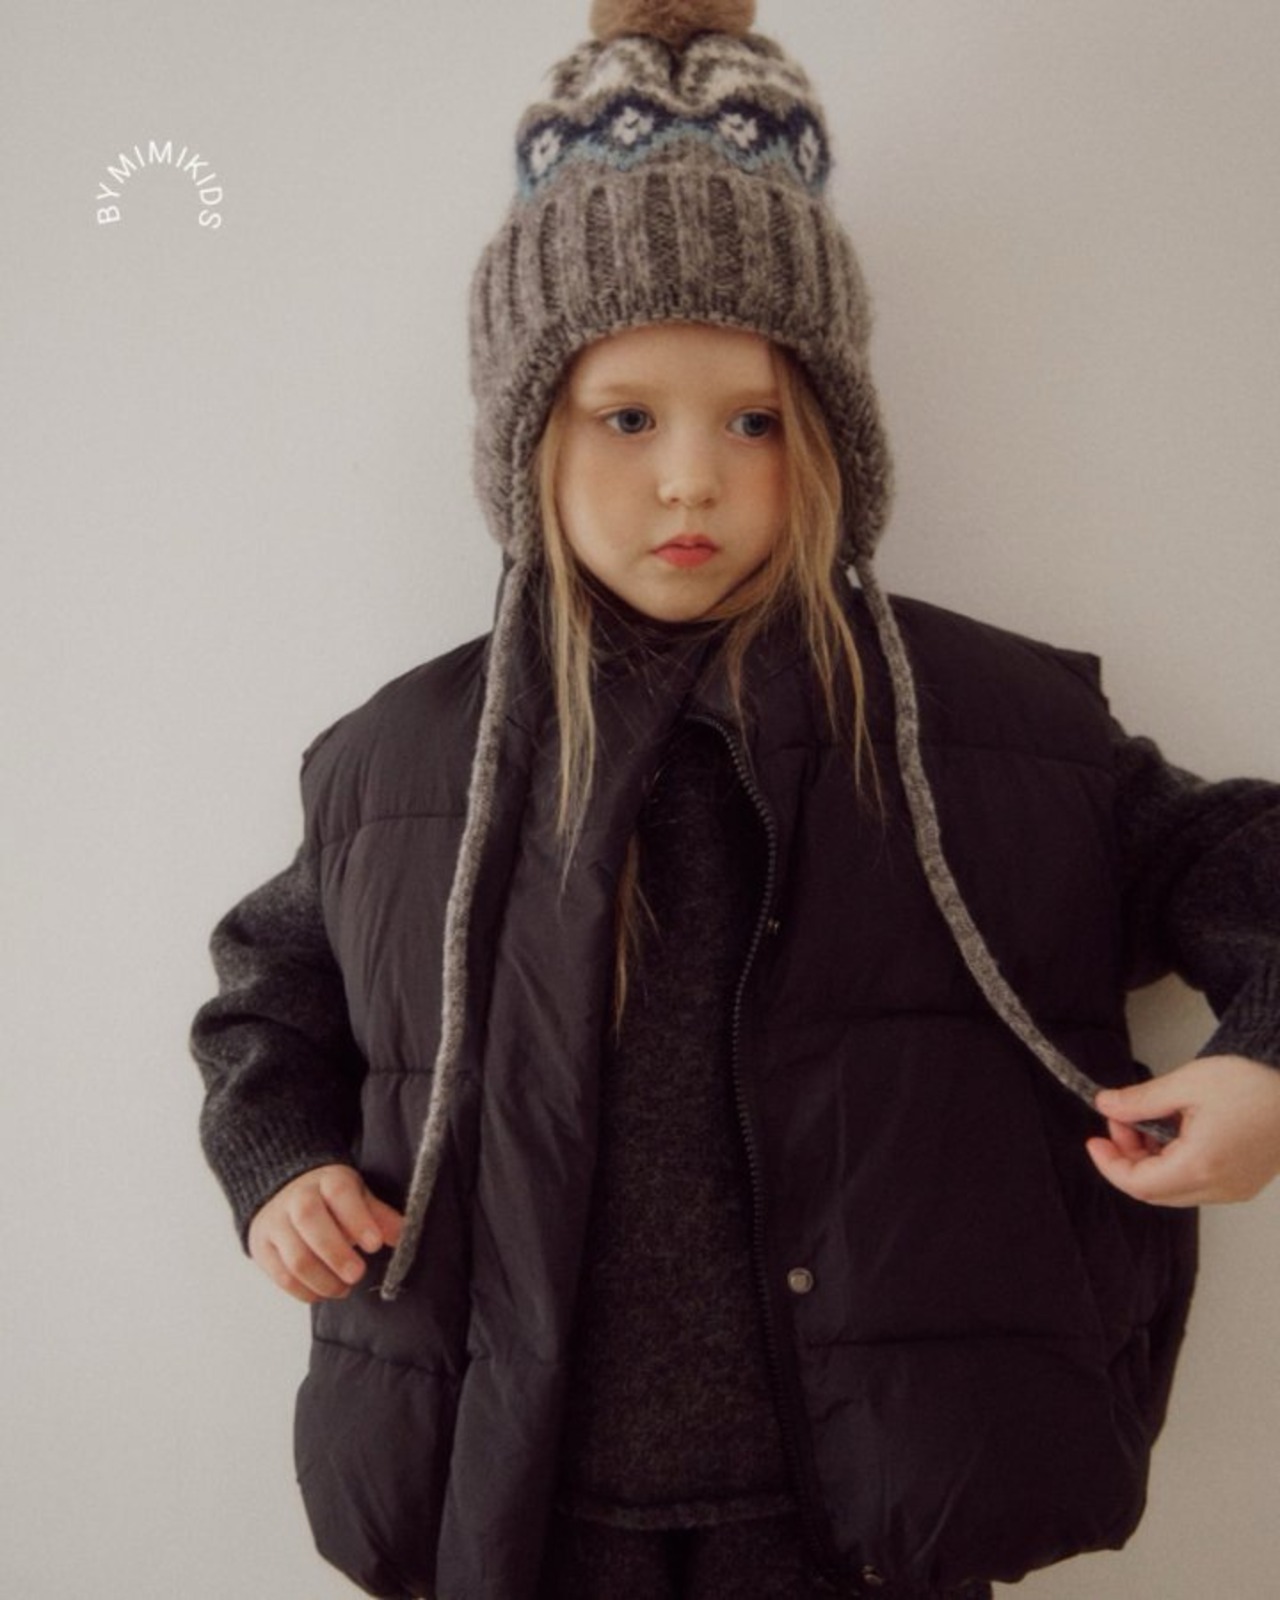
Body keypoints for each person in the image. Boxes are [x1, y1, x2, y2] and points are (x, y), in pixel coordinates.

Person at [190, 3, 1280, 1596]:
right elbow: (268, 992)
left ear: (827, 435)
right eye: (627, 417)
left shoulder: (991, 728)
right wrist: (280, 1161)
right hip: (518, 1491)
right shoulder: (402, 761)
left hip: (868, 1503)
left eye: (753, 420)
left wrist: (1265, 1060)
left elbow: (1243, 863)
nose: (691, 476)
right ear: (529, 434)